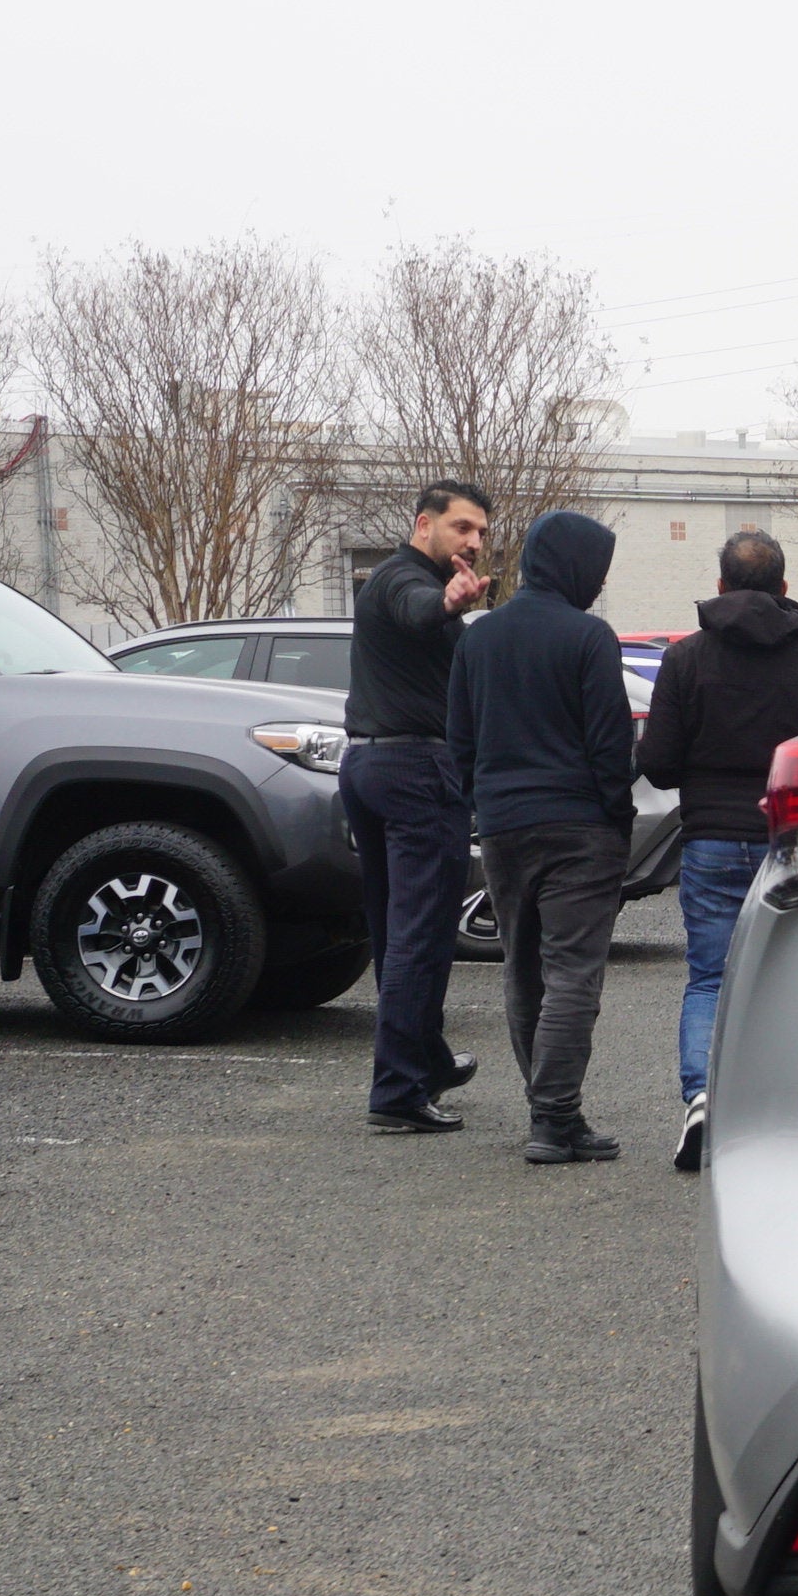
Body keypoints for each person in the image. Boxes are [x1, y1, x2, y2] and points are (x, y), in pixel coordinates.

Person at [635, 530, 798, 1171]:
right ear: (785, 590)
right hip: (797, 840)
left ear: (722, 586)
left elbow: (661, 762)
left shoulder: (686, 660)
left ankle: (703, 1099)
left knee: (709, 977)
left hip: (710, 839)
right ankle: (795, 1117)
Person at [450, 508, 637, 1163]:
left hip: (503, 828)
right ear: (577, 565)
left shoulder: (477, 639)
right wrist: (618, 822)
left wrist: (485, 807)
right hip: (581, 828)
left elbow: (460, 742)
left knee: (522, 968)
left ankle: (548, 1111)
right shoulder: (588, 637)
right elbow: (611, 746)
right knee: (573, 973)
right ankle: (557, 1119)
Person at [341, 480, 493, 1133]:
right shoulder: (403, 581)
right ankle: (399, 1092)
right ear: (424, 523)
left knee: (396, 932)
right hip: (412, 771)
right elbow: (418, 609)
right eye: (462, 528)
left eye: (481, 533)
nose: (475, 543)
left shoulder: (398, 580)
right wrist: (450, 600)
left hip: (374, 767)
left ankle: (423, 1059)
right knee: (420, 937)